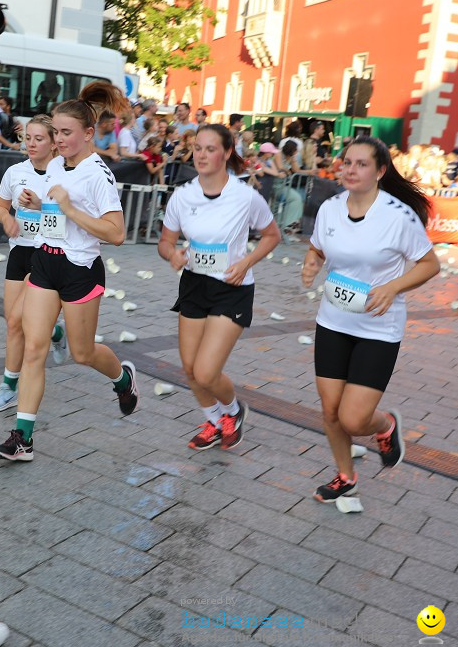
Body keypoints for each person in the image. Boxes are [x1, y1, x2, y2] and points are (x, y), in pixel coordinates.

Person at [0, 81, 138, 461]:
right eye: (56, 132)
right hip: (44, 261)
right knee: (34, 348)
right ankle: (22, 438)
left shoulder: (98, 173)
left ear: (89, 134)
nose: (58, 140)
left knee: (82, 353)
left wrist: (70, 210)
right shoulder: (56, 163)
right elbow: (55, 210)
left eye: (66, 133)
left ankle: (122, 379)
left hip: (80, 270)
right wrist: (38, 203)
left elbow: (117, 233)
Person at [301, 135, 440, 502]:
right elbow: (318, 246)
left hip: (378, 327)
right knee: (331, 412)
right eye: (347, 162)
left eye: (361, 164)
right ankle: (345, 476)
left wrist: (393, 287)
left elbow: (430, 264)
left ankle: (385, 424)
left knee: (354, 419)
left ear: (380, 171)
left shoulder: (398, 216)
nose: (350, 169)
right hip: (333, 321)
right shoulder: (330, 207)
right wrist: (311, 263)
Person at [158, 124, 279, 450]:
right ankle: (215, 420)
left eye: (210, 149)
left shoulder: (245, 196)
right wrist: (173, 254)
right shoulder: (183, 195)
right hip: (194, 284)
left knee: (207, 371)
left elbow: (272, 236)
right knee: (189, 368)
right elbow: (165, 242)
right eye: (197, 147)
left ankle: (233, 411)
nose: (201, 154)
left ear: (226, 153)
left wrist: (246, 262)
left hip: (232, 286)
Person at [0, 115, 68, 412]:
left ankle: (9, 387)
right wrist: (6, 218)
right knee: (12, 322)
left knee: (19, 320)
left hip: (47, 252)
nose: (31, 143)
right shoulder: (15, 172)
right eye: (28, 138)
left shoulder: (63, 175)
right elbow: (0, 205)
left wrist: (41, 207)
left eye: (39, 138)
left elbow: (70, 220)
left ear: (54, 142)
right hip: (20, 251)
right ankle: (56, 333)